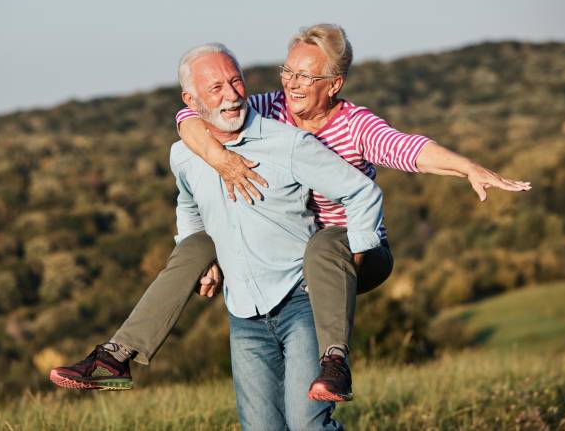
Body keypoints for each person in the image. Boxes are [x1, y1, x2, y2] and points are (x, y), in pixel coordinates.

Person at [172, 24, 532, 402]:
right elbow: (191, 118)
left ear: (334, 84)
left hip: (358, 252)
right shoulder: (271, 109)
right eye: (288, 71)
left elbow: (408, 149)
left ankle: (336, 364)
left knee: (325, 246)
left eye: (307, 76)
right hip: (304, 260)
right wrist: (221, 159)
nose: (292, 84)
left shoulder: (355, 126)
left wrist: (468, 167)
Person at [51, 43, 386, 430]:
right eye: (216, 88)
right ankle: (116, 355)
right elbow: (190, 206)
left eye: (236, 81)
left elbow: (362, 191)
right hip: (244, 312)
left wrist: (357, 256)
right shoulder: (184, 155)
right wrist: (205, 259)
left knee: (307, 425)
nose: (231, 95)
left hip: (300, 302)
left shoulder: (289, 144)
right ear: (190, 101)